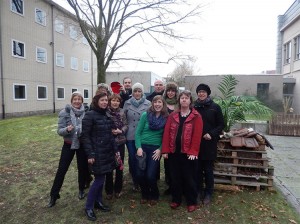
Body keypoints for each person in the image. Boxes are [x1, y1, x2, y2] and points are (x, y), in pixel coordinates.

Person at [162, 90, 203, 212]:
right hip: (174, 152)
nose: (184, 100)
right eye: (182, 98)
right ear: (179, 101)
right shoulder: (172, 116)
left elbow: (197, 136)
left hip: (188, 154)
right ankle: (176, 199)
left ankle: (191, 201)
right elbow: (166, 133)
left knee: (189, 178)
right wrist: (165, 150)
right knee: (175, 178)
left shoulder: (196, 116)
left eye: (186, 98)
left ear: (190, 101)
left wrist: (193, 152)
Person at [48, 91, 89, 208]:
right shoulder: (64, 113)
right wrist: (67, 129)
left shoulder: (86, 112)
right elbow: (59, 131)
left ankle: (81, 189)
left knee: (82, 168)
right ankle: (54, 195)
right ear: (71, 101)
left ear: (82, 100)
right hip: (68, 144)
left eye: (79, 99)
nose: (77, 101)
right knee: (62, 169)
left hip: (81, 144)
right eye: (75, 99)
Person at [81, 92, 118, 221]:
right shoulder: (90, 115)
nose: (104, 102)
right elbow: (85, 136)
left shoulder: (107, 114)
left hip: (106, 152)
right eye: (102, 100)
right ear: (96, 101)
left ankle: (98, 202)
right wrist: (90, 153)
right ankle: (89, 206)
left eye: (105, 100)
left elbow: (110, 134)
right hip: (96, 153)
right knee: (98, 180)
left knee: (101, 180)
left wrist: (115, 150)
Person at [194, 83, 224, 206]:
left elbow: (221, 125)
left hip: (209, 143)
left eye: (203, 92)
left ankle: (208, 193)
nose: (201, 93)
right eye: (199, 92)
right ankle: (198, 191)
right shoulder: (194, 107)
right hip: (196, 144)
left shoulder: (215, 107)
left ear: (207, 93)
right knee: (197, 169)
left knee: (208, 170)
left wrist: (211, 134)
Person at [135, 95, 169, 205]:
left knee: (150, 175)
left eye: (160, 102)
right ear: (152, 104)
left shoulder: (166, 118)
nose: (157, 104)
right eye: (155, 102)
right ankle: (145, 194)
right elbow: (138, 133)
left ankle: (154, 194)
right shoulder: (145, 115)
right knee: (140, 175)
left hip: (155, 150)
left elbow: (166, 136)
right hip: (143, 148)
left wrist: (160, 149)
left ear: (163, 104)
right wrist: (138, 147)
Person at [123, 83, 151, 191]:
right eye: (135, 91)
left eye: (139, 91)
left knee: (143, 157)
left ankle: (144, 179)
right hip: (130, 135)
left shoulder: (148, 103)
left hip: (143, 135)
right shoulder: (127, 103)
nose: (137, 93)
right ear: (132, 92)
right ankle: (135, 181)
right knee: (133, 158)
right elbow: (124, 118)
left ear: (142, 92)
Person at [105, 94, 128, 199]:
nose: (115, 102)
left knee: (119, 166)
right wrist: (109, 131)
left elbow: (126, 125)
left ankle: (118, 189)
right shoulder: (105, 112)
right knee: (109, 167)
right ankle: (109, 190)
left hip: (120, 142)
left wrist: (121, 130)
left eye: (117, 101)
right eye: (113, 100)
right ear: (110, 102)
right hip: (109, 143)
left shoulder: (122, 112)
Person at [162, 82, 179, 194]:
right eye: (169, 90)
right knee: (167, 162)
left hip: (177, 136)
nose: (170, 93)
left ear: (176, 92)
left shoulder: (179, 104)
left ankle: (176, 184)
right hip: (164, 135)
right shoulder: (162, 103)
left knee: (176, 162)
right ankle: (169, 184)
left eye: (173, 91)